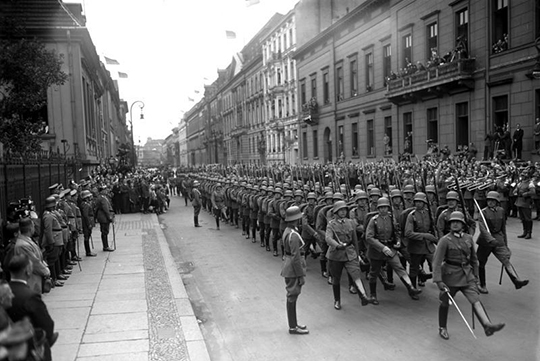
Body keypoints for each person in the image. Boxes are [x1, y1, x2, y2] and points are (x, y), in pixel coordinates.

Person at [432, 211, 505, 340]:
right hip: (450, 276)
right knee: (444, 303)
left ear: (463, 225)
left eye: (457, 222)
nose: (455, 224)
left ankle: (487, 325)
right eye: (452, 222)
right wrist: (438, 281)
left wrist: (476, 276)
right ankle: (442, 327)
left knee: (475, 299)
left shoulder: (468, 238)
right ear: (449, 225)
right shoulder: (445, 240)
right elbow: (437, 262)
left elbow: (474, 260)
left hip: (467, 275)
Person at [365, 198, 422, 304]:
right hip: (377, 251)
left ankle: (410, 287)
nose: (383, 210)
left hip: (390, 248)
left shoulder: (391, 218)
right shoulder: (374, 220)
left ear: (388, 208)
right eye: (381, 208)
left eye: (385, 207)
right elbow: (369, 237)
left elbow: (397, 231)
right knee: (374, 272)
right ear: (378, 208)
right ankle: (373, 295)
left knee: (399, 267)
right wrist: (382, 247)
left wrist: (398, 241)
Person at [6, 255, 58, 360]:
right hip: (29, 348)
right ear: (27, 271)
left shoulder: (4, 292)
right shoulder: (30, 296)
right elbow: (47, 324)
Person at [476, 191, 528, 294]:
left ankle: (516, 280)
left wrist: (505, 243)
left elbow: (503, 228)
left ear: (497, 202)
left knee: (505, 260)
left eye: (493, 200)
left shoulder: (501, 211)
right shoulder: (483, 212)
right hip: (485, 242)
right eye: (489, 200)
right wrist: (490, 239)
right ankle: (482, 285)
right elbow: (482, 229)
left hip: (499, 240)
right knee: (481, 263)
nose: (490, 202)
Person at [325, 201, 371, 310]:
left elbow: (355, 239)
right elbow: (328, 238)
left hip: (350, 252)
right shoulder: (331, 224)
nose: (343, 212)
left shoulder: (350, 222)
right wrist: (337, 245)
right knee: (336, 279)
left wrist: (357, 253)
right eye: (340, 210)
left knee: (356, 274)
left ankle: (363, 296)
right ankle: (337, 300)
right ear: (336, 212)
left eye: (344, 210)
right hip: (335, 255)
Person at [281, 206, 308, 335]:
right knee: (292, 296)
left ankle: (294, 324)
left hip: (289, 265)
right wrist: (301, 275)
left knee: (293, 296)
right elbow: (296, 257)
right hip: (293, 268)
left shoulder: (288, 230)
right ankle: (292, 327)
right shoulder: (294, 235)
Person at [11, 219, 49, 295]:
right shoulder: (23, 245)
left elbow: (38, 257)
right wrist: (45, 271)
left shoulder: (27, 241)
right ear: (30, 228)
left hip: (34, 277)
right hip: (30, 279)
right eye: (34, 226)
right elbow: (34, 262)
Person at [94, 185, 115, 251]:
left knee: (105, 231)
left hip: (103, 216)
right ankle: (105, 246)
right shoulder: (102, 198)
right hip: (103, 217)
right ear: (102, 191)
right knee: (104, 231)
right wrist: (109, 217)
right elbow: (105, 209)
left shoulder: (102, 197)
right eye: (105, 189)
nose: (106, 190)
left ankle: (105, 245)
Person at [515, 171, 535, 239]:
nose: (522, 176)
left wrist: (525, 194)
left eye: (524, 175)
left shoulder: (530, 183)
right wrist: (515, 191)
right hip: (519, 201)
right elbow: (517, 189)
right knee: (523, 218)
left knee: (528, 218)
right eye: (522, 175)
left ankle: (529, 233)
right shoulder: (520, 182)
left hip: (526, 201)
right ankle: (524, 232)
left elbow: (533, 192)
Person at [80, 190, 97, 257]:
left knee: (88, 236)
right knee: (86, 236)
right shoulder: (85, 205)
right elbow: (86, 215)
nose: (91, 197)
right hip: (86, 223)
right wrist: (89, 224)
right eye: (89, 196)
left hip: (87, 222)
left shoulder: (86, 204)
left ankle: (88, 251)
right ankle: (88, 251)